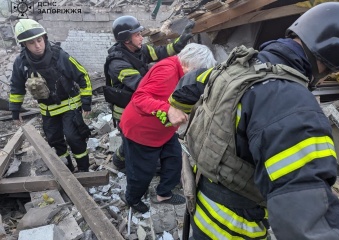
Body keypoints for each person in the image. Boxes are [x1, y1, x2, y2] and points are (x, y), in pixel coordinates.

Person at [172, 2, 339, 239]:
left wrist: (175, 106)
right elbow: (305, 220)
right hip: (234, 227)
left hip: (200, 207)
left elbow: (191, 82)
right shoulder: (291, 103)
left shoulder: (238, 66)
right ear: (334, 58)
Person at [119, 43, 217, 213]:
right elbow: (139, 98)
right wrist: (168, 110)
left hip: (164, 129)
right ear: (188, 64)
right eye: (198, 72)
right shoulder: (167, 71)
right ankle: (132, 199)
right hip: (141, 130)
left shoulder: (181, 72)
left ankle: (163, 194)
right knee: (142, 171)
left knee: (174, 160)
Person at [104, 15, 195, 170]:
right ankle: (122, 162)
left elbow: (162, 52)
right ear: (126, 39)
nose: (141, 37)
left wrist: (180, 43)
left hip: (141, 105)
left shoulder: (140, 49)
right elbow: (141, 85)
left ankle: (124, 157)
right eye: (137, 35)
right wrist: (167, 79)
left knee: (140, 140)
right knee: (133, 142)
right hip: (125, 112)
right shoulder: (117, 63)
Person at [9, 19, 92, 172]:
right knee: (55, 141)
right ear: (24, 45)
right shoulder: (21, 63)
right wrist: (15, 110)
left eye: (39, 40)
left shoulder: (59, 55)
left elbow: (82, 75)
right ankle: (67, 170)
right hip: (48, 110)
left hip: (70, 105)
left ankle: (84, 170)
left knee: (74, 138)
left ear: (44, 38)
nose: (38, 46)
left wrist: (86, 101)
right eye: (31, 43)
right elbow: (16, 87)